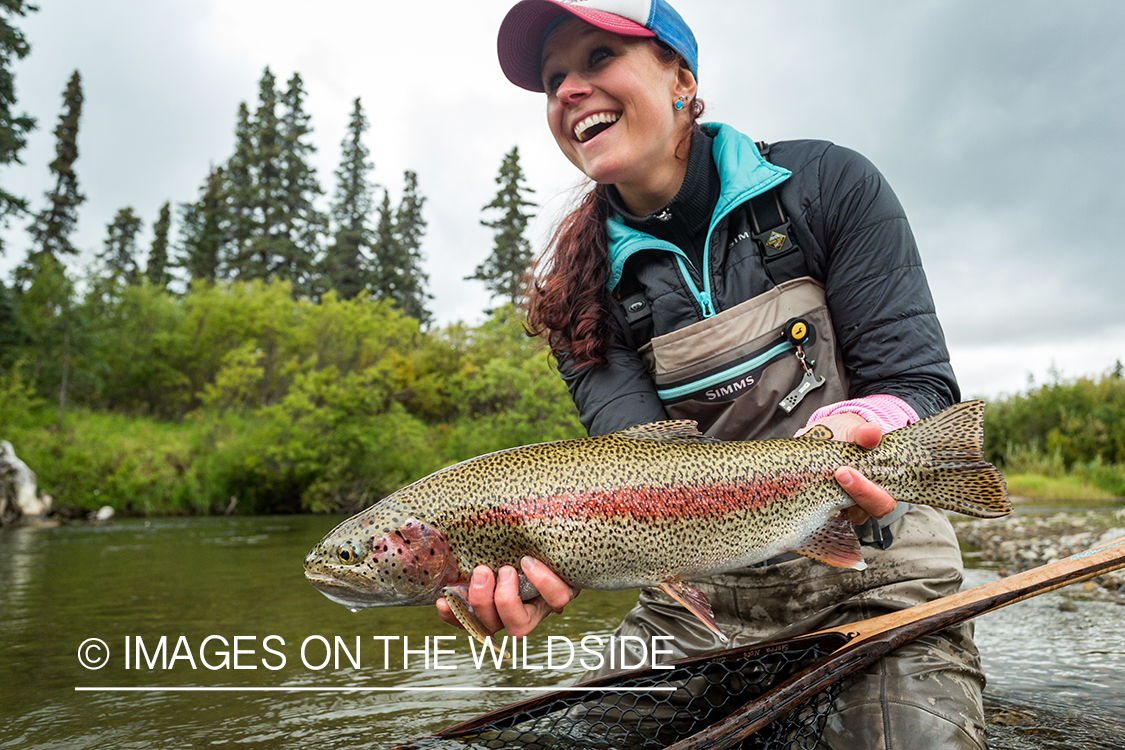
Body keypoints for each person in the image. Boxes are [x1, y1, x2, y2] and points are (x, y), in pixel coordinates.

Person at [437, 1, 987, 746]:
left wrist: (861, 434)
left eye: (598, 59)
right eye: (552, 78)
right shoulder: (577, 292)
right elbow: (638, 473)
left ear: (681, 78)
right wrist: (544, 559)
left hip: (879, 575)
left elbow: (917, 382)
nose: (568, 89)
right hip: (700, 604)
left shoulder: (826, 185)